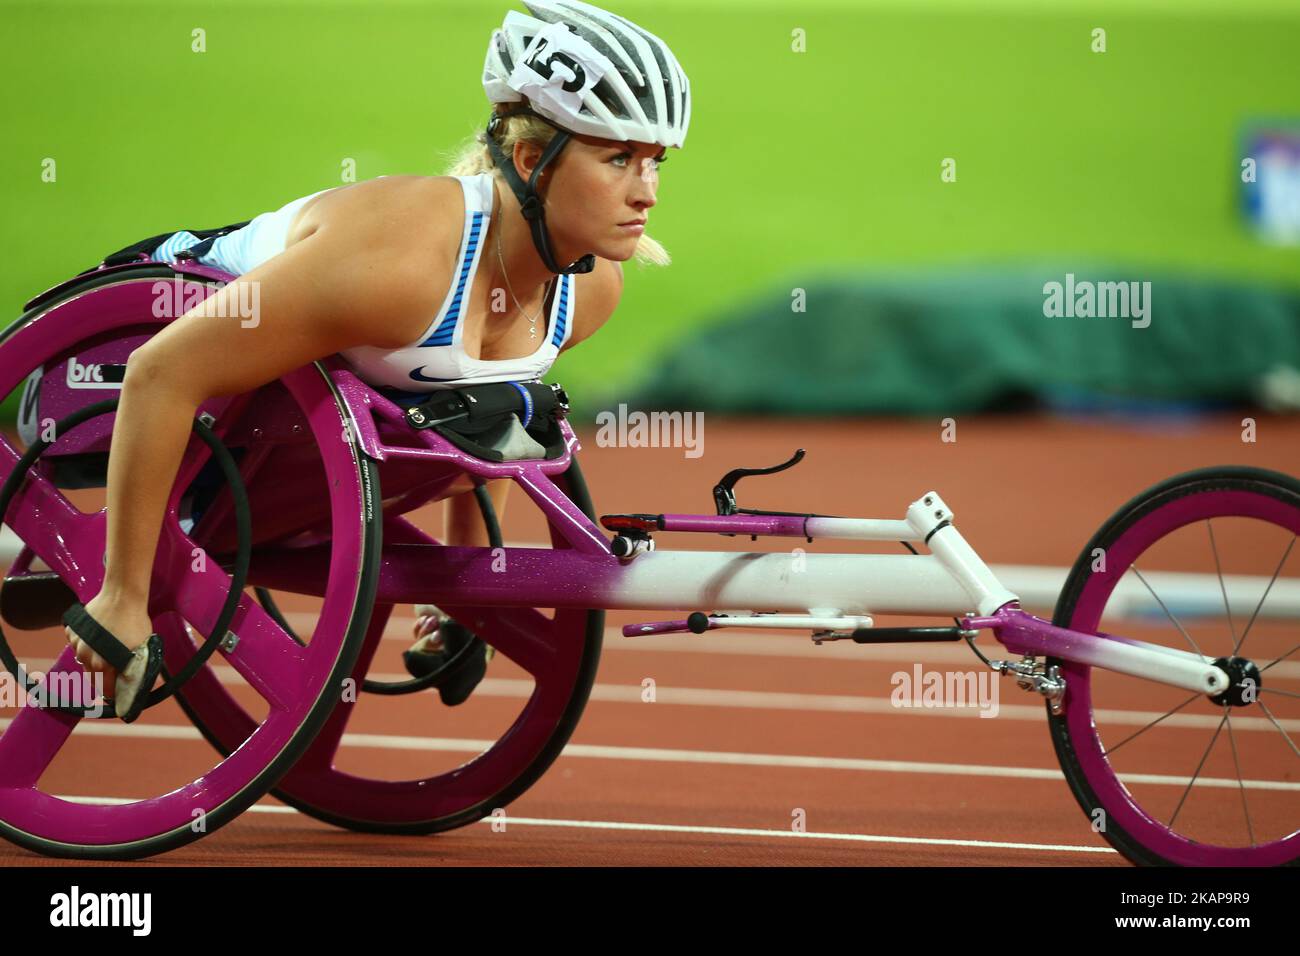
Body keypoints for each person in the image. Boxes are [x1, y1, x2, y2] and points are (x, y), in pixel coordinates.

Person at [61, 0, 691, 720]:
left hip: (260, 442)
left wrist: (465, 595)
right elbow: (160, 372)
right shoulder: (402, 265)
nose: (646, 192)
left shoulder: (590, 288)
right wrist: (121, 595)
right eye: (618, 159)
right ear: (529, 161)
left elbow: (495, 411)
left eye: (654, 163)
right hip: (121, 362)